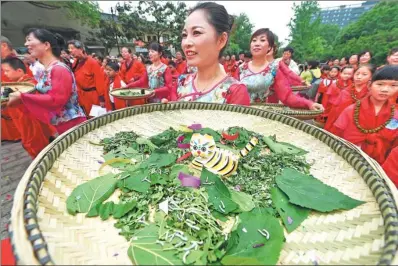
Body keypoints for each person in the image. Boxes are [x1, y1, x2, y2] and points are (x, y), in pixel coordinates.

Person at [167, 2, 250, 105]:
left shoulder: (235, 92)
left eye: (196, 32)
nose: (186, 42)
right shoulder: (181, 83)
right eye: (184, 35)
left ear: (221, 40)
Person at [7, 28, 86, 136]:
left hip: (71, 123)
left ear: (46, 45)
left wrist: (23, 96)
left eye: (29, 40)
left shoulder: (59, 69)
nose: (26, 44)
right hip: (62, 122)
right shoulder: (48, 68)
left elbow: (56, 100)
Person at [233, 28, 322, 110]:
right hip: (238, 114)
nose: (257, 43)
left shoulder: (273, 69)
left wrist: (309, 103)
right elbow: (231, 92)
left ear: (269, 47)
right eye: (254, 40)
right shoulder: (241, 68)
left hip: (259, 116)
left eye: (262, 40)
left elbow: (287, 96)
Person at [331, 65, 398, 164]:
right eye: (380, 84)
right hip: (346, 159)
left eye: (393, 85)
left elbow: (393, 147)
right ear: (369, 85)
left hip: (378, 165)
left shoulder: (395, 116)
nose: (385, 89)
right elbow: (335, 137)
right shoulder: (351, 111)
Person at [2, 57, 56, 158]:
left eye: (7, 71)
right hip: (25, 124)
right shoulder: (18, 84)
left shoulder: (29, 85)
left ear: (19, 71)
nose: (5, 74)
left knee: (40, 151)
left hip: (33, 125)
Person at [324, 64, 376, 131]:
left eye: (364, 74)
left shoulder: (372, 94)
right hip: (340, 126)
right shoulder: (345, 92)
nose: (359, 77)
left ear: (371, 77)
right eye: (357, 74)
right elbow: (334, 113)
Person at [68, 40, 106, 116]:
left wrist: (102, 99)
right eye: (69, 49)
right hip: (80, 96)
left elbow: (100, 82)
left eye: (72, 48)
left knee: (94, 118)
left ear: (81, 49)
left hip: (92, 96)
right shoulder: (75, 62)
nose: (70, 51)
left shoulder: (93, 63)